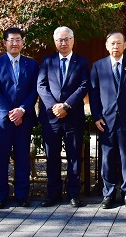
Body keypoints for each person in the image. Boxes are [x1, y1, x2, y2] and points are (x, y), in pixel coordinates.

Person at [89, 32, 126, 210]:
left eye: (119, 43)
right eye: (112, 43)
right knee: (107, 159)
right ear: (107, 45)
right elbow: (94, 94)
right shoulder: (98, 66)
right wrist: (96, 116)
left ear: (125, 45)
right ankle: (109, 193)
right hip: (106, 120)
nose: (115, 46)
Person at [0, 27, 40, 209]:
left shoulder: (31, 65)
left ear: (23, 42)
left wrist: (22, 110)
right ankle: (1, 196)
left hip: (24, 119)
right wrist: (9, 113)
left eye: (18, 40)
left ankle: (22, 194)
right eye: (11, 40)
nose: (15, 43)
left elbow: (34, 91)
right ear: (4, 43)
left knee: (22, 158)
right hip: (2, 121)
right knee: (1, 159)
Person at [37, 26, 90, 208]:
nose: (63, 43)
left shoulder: (82, 62)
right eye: (60, 40)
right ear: (55, 42)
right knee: (52, 156)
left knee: (74, 156)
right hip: (51, 118)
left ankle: (74, 193)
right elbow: (41, 86)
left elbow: (84, 85)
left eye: (67, 39)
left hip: (73, 115)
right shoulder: (47, 61)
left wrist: (66, 105)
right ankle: (53, 193)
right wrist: (54, 107)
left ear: (73, 40)